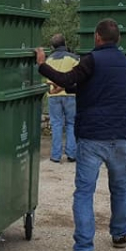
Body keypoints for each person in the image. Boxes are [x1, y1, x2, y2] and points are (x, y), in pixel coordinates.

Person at [35, 18, 126, 251]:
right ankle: (120, 234)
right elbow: (100, 90)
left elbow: (68, 80)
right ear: (117, 38)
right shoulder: (125, 62)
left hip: (92, 136)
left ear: (98, 37)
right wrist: (71, 88)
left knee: (84, 193)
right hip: (120, 136)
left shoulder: (92, 59)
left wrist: (42, 65)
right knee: (119, 188)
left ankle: (82, 250)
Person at [44, 34, 81, 163]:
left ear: (52, 46)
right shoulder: (74, 58)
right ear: (65, 43)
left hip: (53, 95)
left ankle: (55, 156)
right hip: (70, 95)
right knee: (72, 124)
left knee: (56, 124)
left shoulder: (48, 60)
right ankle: (72, 154)